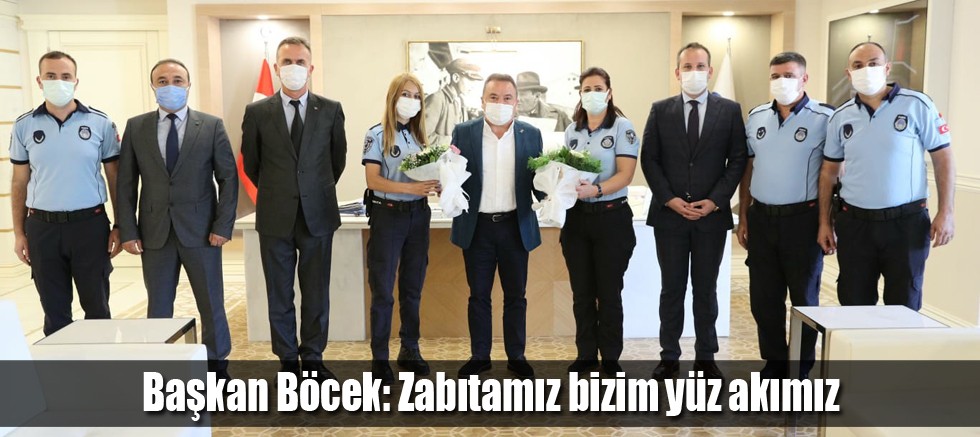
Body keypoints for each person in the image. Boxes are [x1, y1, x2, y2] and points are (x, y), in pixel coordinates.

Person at [116, 58, 238, 377]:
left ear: (188, 85)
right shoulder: (136, 127)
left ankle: (217, 367)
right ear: (153, 86)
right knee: (158, 306)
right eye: (162, 81)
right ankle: (161, 367)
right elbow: (125, 183)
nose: (170, 86)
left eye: (177, 80)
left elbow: (228, 178)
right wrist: (128, 230)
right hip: (154, 233)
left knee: (211, 304)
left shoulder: (211, 126)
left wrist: (223, 225)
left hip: (202, 232)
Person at [241, 36, 348, 381]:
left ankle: (313, 359)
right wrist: (282, 190)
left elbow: (336, 161)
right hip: (275, 216)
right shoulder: (257, 112)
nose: (294, 67)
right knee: (279, 294)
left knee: (316, 293)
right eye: (287, 62)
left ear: (310, 68)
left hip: (318, 215)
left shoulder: (330, 109)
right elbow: (252, 164)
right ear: (276, 68)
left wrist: (310, 190)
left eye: (300, 62)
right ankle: (288, 360)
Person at [818, 42, 955, 310]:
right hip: (855, 224)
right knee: (854, 305)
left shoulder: (917, 105)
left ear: (887, 68)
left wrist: (946, 212)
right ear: (848, 73)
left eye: (873, 63)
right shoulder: (840, 116)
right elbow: (829, 172)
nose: (866, 70)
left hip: (905, 224)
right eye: (858, 65)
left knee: (903, 306)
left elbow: (943, 159)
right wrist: (825, 221)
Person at [640, 42, 747, 381]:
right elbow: (649, 159)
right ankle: (669, 356)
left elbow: (738, 160)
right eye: (687, 67)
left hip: (710, 218)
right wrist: (668, 198)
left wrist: (715, 200)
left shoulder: (729, 110)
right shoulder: (661, 110)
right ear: (677, 72)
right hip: (670, 217)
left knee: (705, 289)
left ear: (710, 71)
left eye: (700, 66)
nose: (694, 72)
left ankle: (706, 357)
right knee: (671, 289)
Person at [9, 51, 122, 336]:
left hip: (90, 226)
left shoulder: (100, 122)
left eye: (65, 76)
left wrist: (120, 225)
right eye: (51, 76)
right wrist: (19, 233)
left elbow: (115, 178)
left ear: (75, 81)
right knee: (54, 312)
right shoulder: (24, 125)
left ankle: (101, 363)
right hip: (42, 228)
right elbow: (19, 183)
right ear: (39, 81)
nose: (58, 81)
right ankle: (60, 365)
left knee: (97, 309)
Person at [737, 52, 832, 379]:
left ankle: (800, 368)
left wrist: (826, 222)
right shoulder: (757, 116)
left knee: (804, 298)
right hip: (762, 219)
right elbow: (748, 168)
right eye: (776, 76)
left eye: (789, 75)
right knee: (764, 299)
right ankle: (774, 363)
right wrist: (744, 215)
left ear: (804, 78)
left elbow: (832, 174)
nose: (782, 81)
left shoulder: (824, 118)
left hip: (803, 221)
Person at [450, 73, 543, 379]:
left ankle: (516, 356)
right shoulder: (464, 133)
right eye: (493, 97)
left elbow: (538, 182)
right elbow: (453, 175)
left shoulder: (531, 134)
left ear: (516, 103)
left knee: (516, 296)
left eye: (506, 98)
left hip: (515, 225)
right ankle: (480, 356)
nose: (500, 103)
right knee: (479, 296)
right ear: (482, 101)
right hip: (477, 227)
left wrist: (560, 185)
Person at [362, 73, 440, 384]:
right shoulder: (377, 135)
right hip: (388, 216)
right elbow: (373, 180)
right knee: (383, 290)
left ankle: (410, 348)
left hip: (418, 217)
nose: (412, 101)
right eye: (406, 94)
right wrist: (411, 189)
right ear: (393, 97)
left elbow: (425, 178)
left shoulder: (420, 139)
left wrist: (438, 184)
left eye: (417, 96)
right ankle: (380, 357)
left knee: (412, 288)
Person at [561, 67, 638, 375]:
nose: (592, 94)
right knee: (581, 294)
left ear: (608, 92)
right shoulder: (572, 131)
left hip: (611, 219)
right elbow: (566, 171)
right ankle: (586, 355)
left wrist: (597, 189)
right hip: (577, 220)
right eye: (586, 89)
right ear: (580, 94)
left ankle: (610, 357)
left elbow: (626, 174)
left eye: (598, 88)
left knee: (608, 294)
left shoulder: (622, 127)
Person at [424, 58, 483, 146]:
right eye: (470, 80)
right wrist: (454, 140)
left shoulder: (461, 101)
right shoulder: (437, 99)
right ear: (456, 78)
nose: (473, 86)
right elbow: (423, 137)